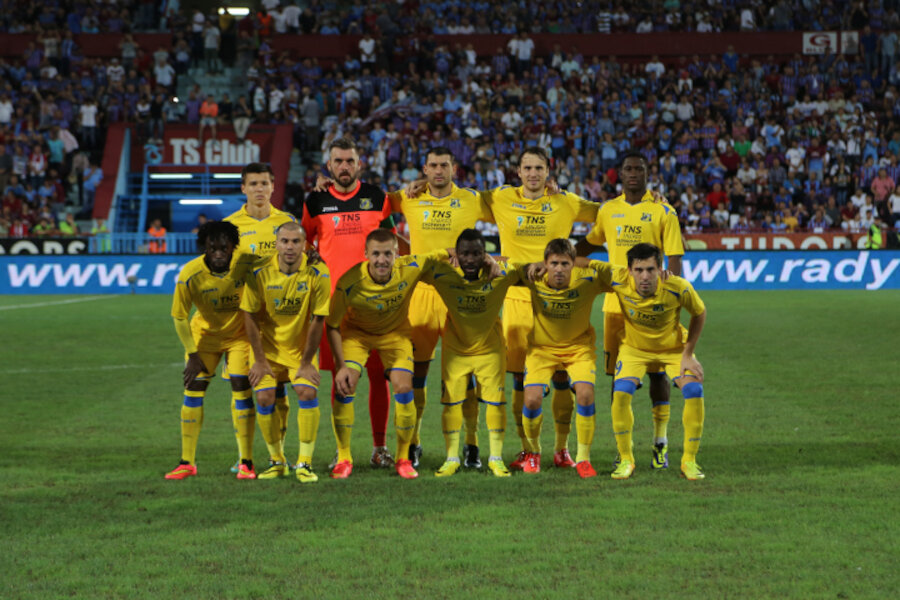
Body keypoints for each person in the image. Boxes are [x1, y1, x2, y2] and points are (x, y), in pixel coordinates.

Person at [479, 147, 599, 471]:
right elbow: (458, 202)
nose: (533, 174)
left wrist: (649, 200)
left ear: (549, 171)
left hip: (555, 299)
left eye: (539, 168)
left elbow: (608, 215)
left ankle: (562, 450)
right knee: (520, 380)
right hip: (517, 299)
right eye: (527, 168)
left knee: (561, 375)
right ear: (518, 171)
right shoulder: (499, 198)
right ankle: (528, 449)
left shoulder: (566, 201)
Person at [576, 149, 684, 470]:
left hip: (652, 305)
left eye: (639, 168)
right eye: (628, 169)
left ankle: (659, 443)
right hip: (615, 304)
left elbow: (675, 258)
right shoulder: (608, 210)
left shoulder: (664, 210)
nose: (633, 173)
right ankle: (623, 449)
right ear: (620, 174)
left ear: (648, 173)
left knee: (657, 372)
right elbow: (591, 242)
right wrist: (564, 253)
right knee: (616, 378)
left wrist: (672, 295)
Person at [326, 229, 457, 479]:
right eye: (376, 254)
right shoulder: (349, 281)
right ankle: (344, 457)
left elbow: (444, 253)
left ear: (397, 254)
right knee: (346, 384)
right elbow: (332, 325)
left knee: (403, 387)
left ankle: (403, 458)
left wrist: (484, 259)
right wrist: (341, 365)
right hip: (357, 335)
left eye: (388, 254)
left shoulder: (410, 267)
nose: (382, 260)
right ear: (366, 254)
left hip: (395, 335)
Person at [386, 147, 488, 468]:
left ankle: (471, 445)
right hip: (421, 293)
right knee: (417, 371)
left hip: (460, 293)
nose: (439, 170)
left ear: (454, 169)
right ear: (425, 169)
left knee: (465, 372)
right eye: (433, 165)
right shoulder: (409, 198)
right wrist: (406, 252)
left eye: (445, 165)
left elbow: (516, 208)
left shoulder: (473, 199)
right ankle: (413, 443)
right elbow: (373, 203)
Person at [302, 137, 396, 468]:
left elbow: (392, 243)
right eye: (338, 161)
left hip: (376, 306)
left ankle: (380, 447)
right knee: (342, 377)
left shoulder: (377, 198)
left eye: (350, 161)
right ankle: (343, 453)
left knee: (378, 379)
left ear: (359, 164)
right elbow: (306, 245)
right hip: (334, 309)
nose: (344, 166)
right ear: (329, 166)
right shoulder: (314, 201)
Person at [420, 229, 518, 477]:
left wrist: (496, 261)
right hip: (456, 349)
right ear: (457, 255)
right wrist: (445, 253)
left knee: (495, 402)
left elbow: (534, 268)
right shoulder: (444, 274)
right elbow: (418, 263)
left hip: (490, 349)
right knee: (451, 403)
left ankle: (495, 459)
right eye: (464, 254)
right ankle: (451, 458)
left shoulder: (500, 273)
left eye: (477, 253)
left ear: (485, 254)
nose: (471, 259)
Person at [165, 221, 259, 480]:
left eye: (224, 248)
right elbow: (180, 317)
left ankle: (246, 462)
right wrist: (192, 354)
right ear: (204, 248)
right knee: (194, 386)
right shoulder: (190, 273)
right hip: (204, 337)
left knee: (241, 385)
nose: (218, 253)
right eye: (212, 248)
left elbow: (277, 266)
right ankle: (187, 462)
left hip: (239, 336)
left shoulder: (247, 264)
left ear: (233, 248)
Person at [607, 243, 707, 481]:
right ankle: (626, 459)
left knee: (694, 389)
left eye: (651, 269)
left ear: (661, 268)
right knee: (620, 393)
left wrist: (688, 353)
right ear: (629, 270)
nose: (645, 276)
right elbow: (582, 263)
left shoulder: (677, 287)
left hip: (672, 349)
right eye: (639, 270)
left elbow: (699, 312)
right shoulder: (617, 279)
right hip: (634, 349)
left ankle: (689, 461)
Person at [241, 222, 330, 482]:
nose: (289, 247)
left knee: (307, 390)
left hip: (299, 349)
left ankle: (305, 462)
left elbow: (318, 320)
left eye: (295, 242)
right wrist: (258, 360)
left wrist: (306, 362)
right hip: (266, 349)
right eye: (284, 241)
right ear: (276, 243)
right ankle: (277, 460)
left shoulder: (318, 272)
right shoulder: (258, 272)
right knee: (265, 397)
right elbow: (249, 316)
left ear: (305, 245)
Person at [223, 162, 297, 472]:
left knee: (277, 390)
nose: (258, 189)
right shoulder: (229, 226)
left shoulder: (287, 222)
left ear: (273, 186)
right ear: (243, 188)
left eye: (263, 183)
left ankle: (276, 455)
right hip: (244, 320)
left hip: (281, 321)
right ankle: (244, 458)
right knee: (241, 384)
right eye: (252, 184)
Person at [517, 239, 613, 478]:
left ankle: (581, 458)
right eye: (554, 263)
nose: (559, 269)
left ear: (574, 264)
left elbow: (621, 274)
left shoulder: (588, 280)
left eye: (565, 264)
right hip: (541, 349)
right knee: (531, 401)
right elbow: (505, 265)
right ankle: (534, 453)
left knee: (585, 394)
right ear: (545, 264)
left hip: (578, 349)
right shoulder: (533, 277)